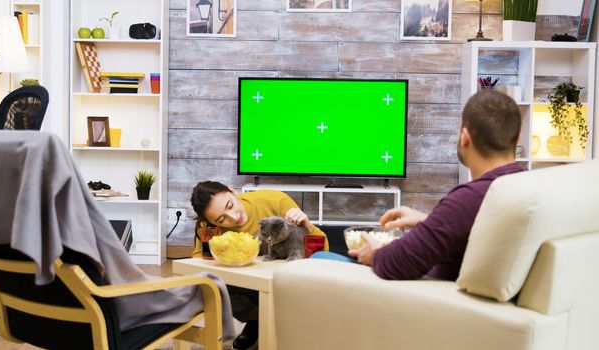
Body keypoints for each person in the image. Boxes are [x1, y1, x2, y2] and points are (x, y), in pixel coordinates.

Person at [316, 89, 526, 281]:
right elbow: (479, 229)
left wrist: (374, 253)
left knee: (320, 258)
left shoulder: (468, 199)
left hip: (426, 301)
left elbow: (396, 263)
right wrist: (430, 221)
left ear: (464, 138)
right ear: (516, 138)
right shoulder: (526, 185)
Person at [190, 181, 328, 350]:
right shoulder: (209, 227)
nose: (233, 217)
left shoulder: (274, 200)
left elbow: (324, 250)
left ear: (233, 192)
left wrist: (307, 225)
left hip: (285, 279)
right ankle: (258, 321)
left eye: (230, 205)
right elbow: (198, 265)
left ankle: (282, 324)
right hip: (245, 285)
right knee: (212, 286)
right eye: (221, 219)